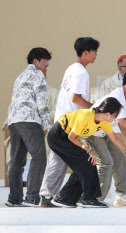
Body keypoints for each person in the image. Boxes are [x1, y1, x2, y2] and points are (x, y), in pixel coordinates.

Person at [39, 37, 100, 207]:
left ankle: (53, 196)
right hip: (68, 124)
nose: (96, 55)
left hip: (64, 122)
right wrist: (93, 108)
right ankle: (58, 196)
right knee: (81, 159)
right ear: (86, 52)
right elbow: (76, 98)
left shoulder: (71, 69)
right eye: (94, 51)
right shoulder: (81, 72)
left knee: (61, 160)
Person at [49, 97, 126, 208]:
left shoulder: (103, 122)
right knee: (87, 162)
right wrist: (89, 150)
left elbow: (114, 138)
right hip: (58, 136)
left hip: (66, 138)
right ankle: (88, 199)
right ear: (108, 114)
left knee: (85, 165)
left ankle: (64, 198)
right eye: (115, 116)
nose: (114, 119)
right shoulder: (85, 116)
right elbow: (72, 137)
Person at [86, 70, 126, 206]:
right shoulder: (119, 98)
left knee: (119, 157)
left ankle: (123, 194)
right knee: (106, 163)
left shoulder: (123, 97)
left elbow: (122, 126)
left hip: (103, 132)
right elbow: (123, 123)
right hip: (92, 132)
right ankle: (95, 198)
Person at [6, 47, 52, 207]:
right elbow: (41, 103)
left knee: (17, 160)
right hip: (30, 120)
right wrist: (48, 125)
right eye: (45, 61)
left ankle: (14, 199)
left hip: (13, 121)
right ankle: (32, 197)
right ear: (36, 61)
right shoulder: (38, 75)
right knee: (39, 156)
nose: (47, 65)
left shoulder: (20, 76)